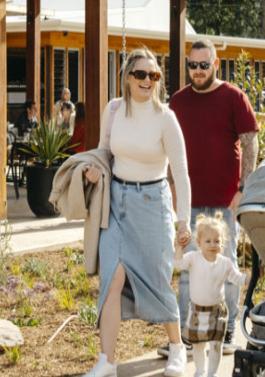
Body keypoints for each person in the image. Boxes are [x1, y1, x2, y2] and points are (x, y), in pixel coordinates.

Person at [81, 48, 192, 377]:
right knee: (112, 280)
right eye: (141, 74)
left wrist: (183, 220)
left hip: (152, 204)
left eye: (154, 75)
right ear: (127, 77)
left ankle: (176, 348)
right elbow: (104, 150)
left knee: (158, 279)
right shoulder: (113, 109)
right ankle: (107, 362)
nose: (148, 80)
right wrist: (95, 170)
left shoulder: (165, 117)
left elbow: (181, 173)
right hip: (116, 202)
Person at [166, 37, 258, 354]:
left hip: (224, 205)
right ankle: (187, 336)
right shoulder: (177, 101)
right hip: (188, 204)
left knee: (226, 266)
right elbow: (167, 148)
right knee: (189, 268)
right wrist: (173, 190)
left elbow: (250, 143)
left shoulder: (234, 97)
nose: (198, 70)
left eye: (204, 65)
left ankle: (228, 332)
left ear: (215, 64)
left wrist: (243, 189)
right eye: (193, 65)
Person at [178, 212, 249, 377]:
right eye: (208, 241)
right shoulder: (193, 258)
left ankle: (212, 373)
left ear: (222, 242)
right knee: (198, 345)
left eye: (217, 241)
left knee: (217, 344)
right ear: (199, 242)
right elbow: (178, 264)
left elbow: (237, 278)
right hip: (197, 310)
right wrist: (179, 248)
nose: (212, 245)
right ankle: (200, 371)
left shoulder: (224, 263)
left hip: (217, 311)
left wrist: (249, 279)